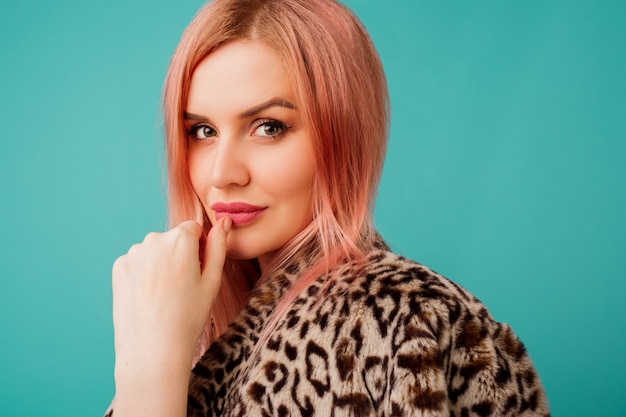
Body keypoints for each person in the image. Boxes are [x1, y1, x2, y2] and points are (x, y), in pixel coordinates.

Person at [106, 0, 550, 416]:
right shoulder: (207, 333)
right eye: (202, 131)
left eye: (269, 127)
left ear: (344, 137)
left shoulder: (378, 318)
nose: (223, 172)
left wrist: (150, 379)